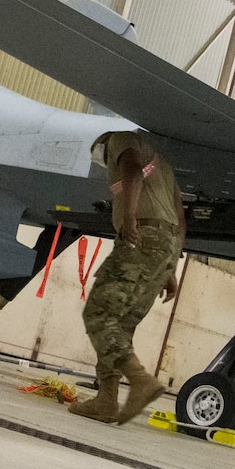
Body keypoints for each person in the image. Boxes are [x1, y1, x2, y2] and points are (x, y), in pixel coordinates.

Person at [71, 130, 185, 425]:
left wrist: (130, 217)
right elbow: (180, 215)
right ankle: (106, 401)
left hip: (142, 237)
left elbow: (132, 169)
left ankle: (140, 381)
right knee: (121, 323)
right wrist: (170, 267)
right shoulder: (163, 163)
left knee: (98, 314)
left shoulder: (120, 140)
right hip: (166, 245)